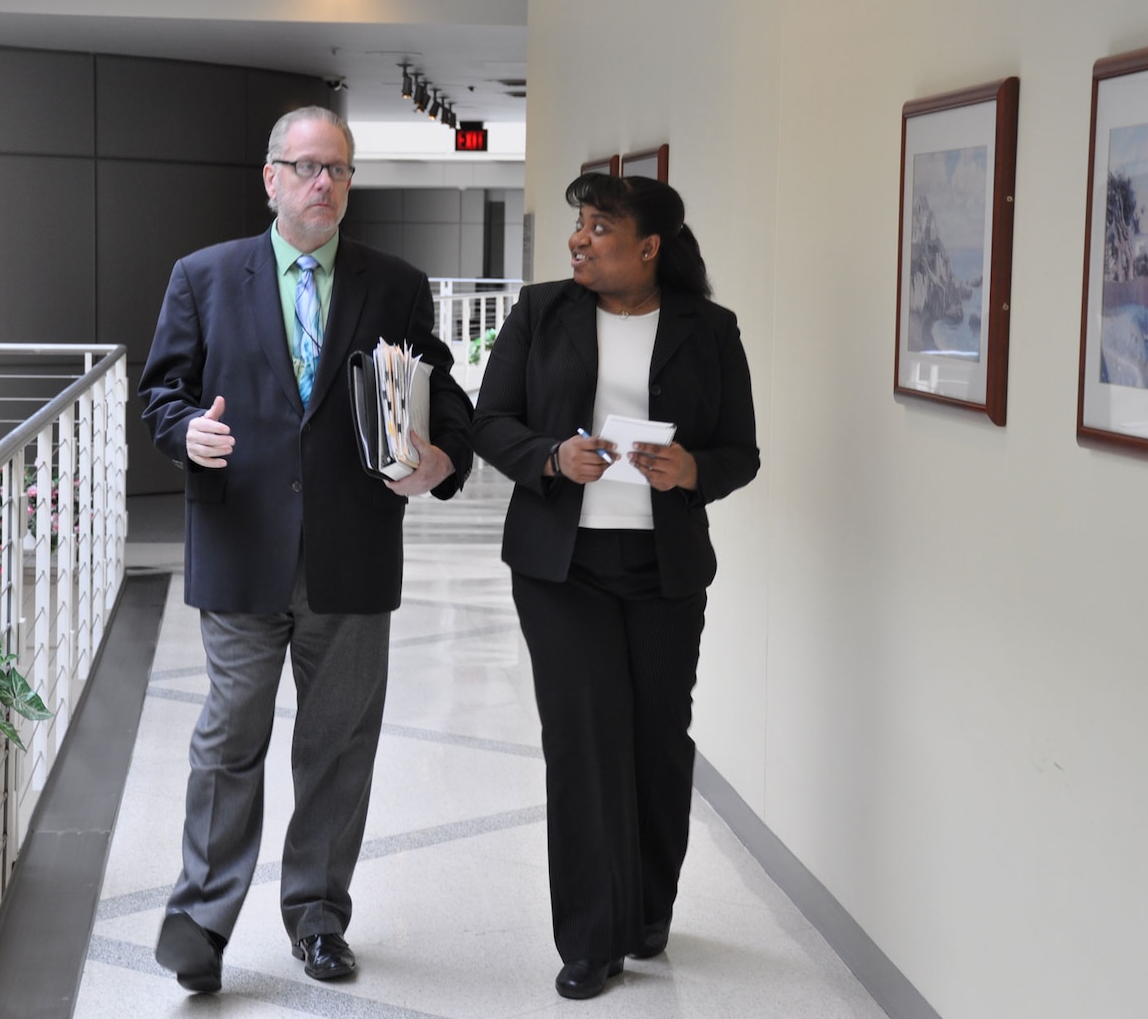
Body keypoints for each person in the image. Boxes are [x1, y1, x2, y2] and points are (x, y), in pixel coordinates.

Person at [138, 105, 474, 994]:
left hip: (352, 554)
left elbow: (437, 389)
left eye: (338, 170)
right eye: (307, 167)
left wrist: (443, 458)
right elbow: (161, 394)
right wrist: (186, 437)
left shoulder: (394, 284)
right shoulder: (203, 277)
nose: (323, 184)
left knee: (337, 746)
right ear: (271, 178)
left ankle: (319, 918)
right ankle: (203, 923)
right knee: (227, 736)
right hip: (241, 549)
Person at [470, 174, 759, 1000]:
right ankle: (591, 940)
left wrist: (694, 468)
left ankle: (646, 911)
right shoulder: (539, 313)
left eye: (600, 227)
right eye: (578, 225)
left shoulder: (708, 329)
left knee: (659, 741)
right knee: (585, 743)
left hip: (664, 571)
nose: (579, 240)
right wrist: (551, 459)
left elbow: (742, 449)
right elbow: (493, 420)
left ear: (650, 247)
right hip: (562, 570)